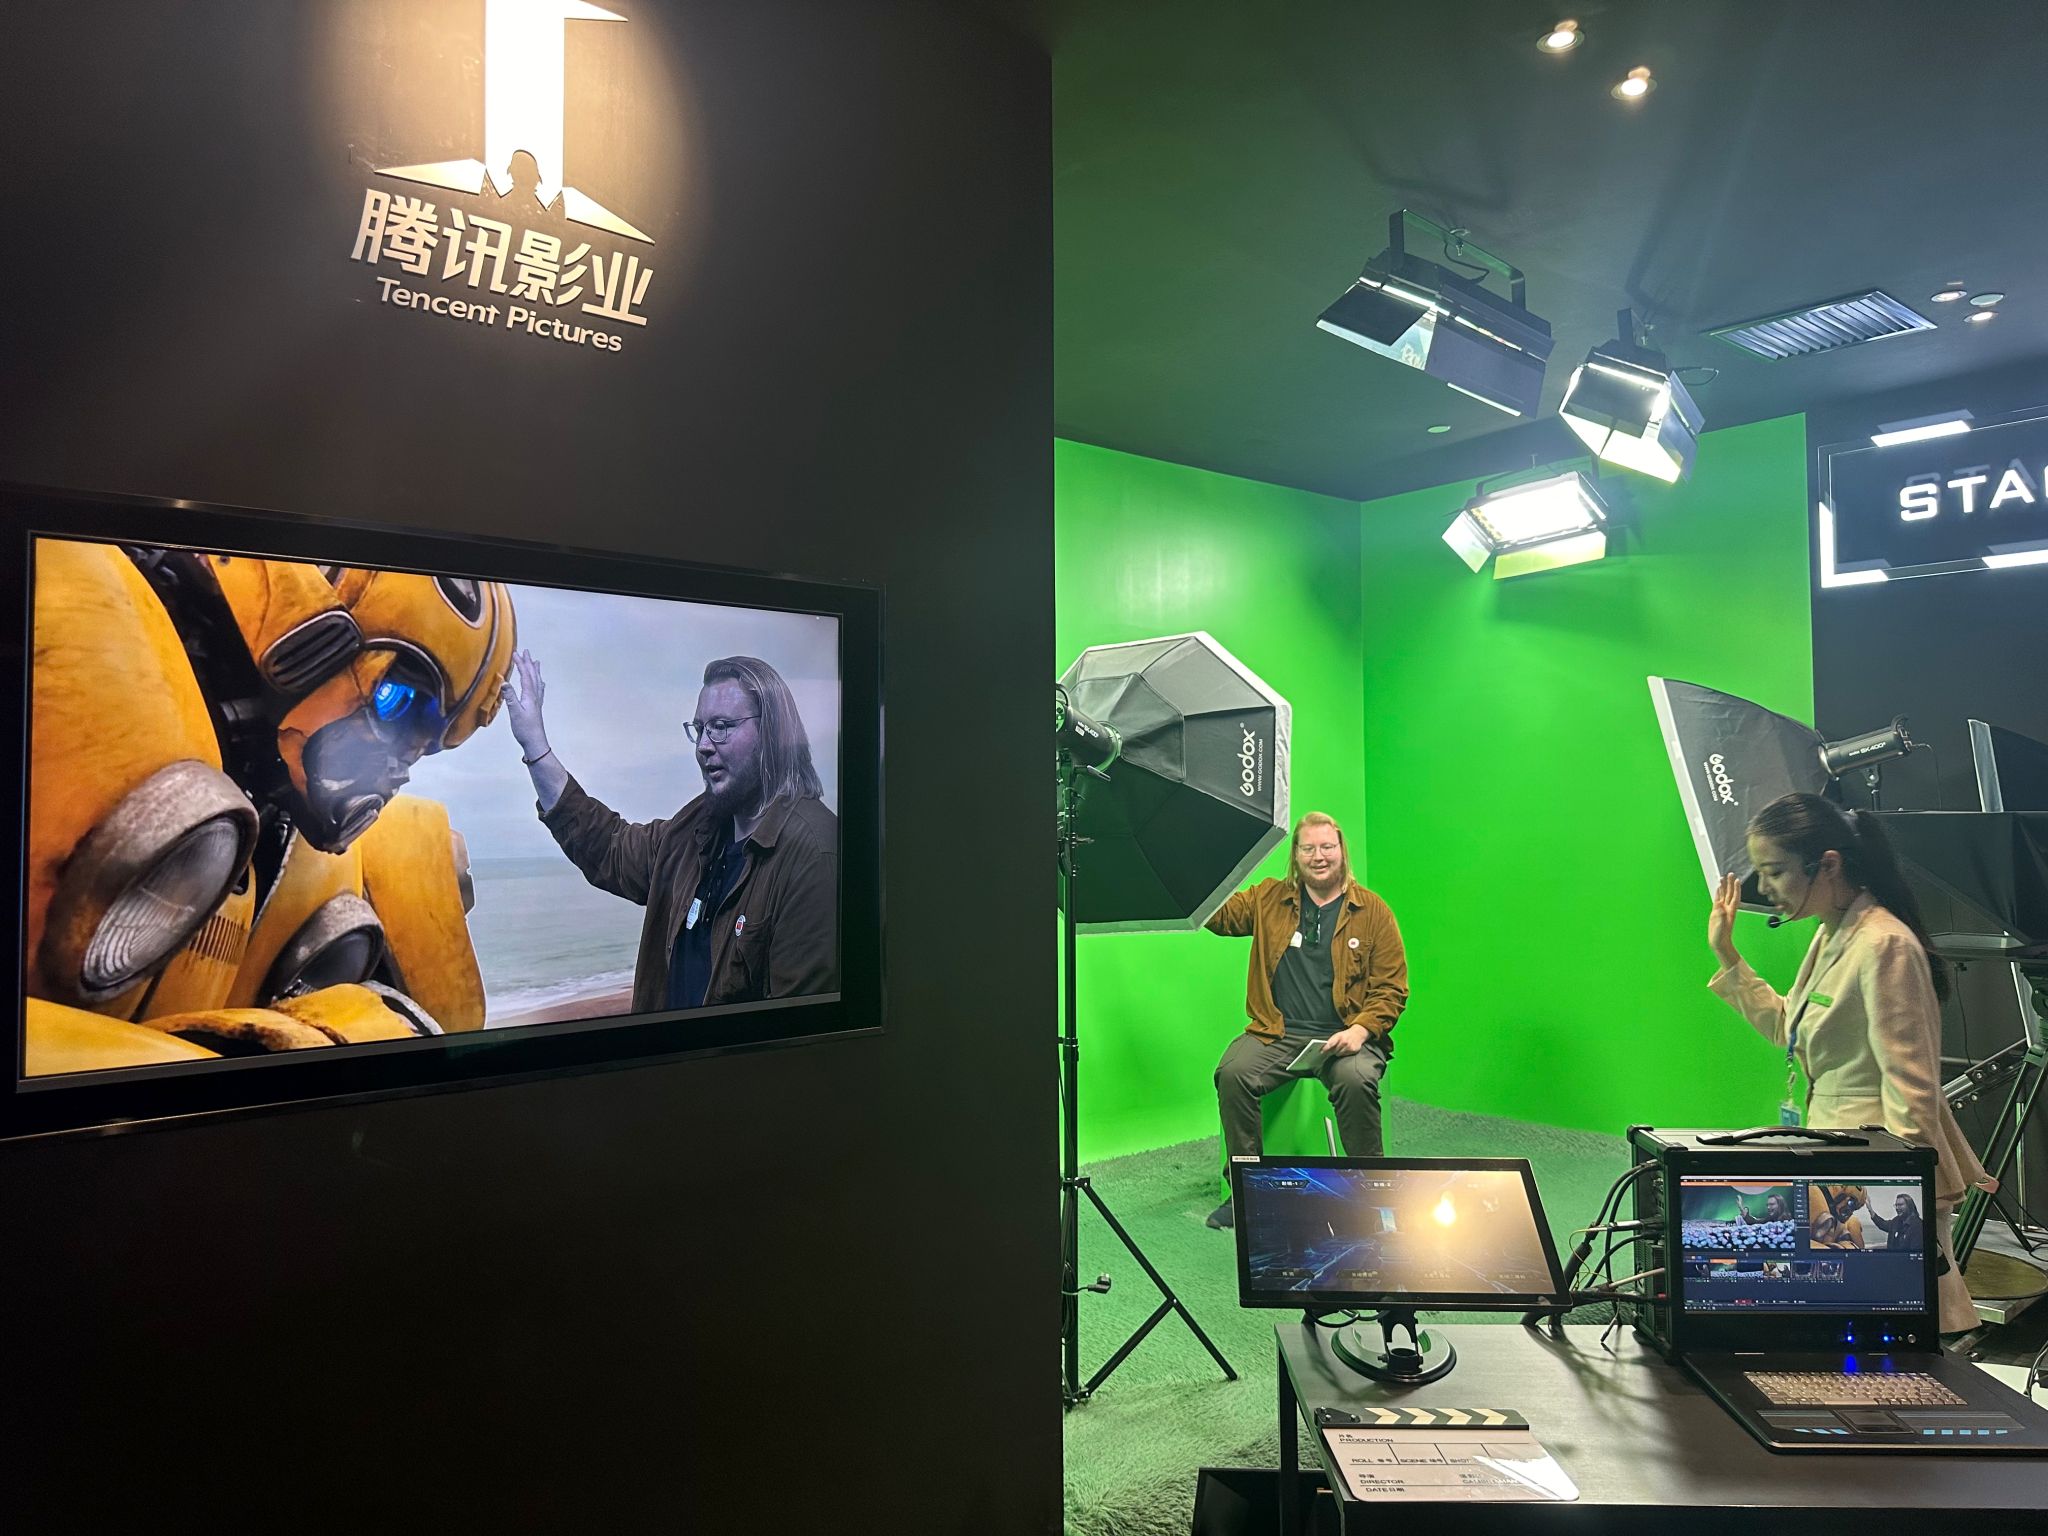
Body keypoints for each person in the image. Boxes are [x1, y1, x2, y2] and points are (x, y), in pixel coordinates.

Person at [1707, 791, 1991, 1332]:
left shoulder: (1884, 944)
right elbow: (1789, 1026)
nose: (1764, 888)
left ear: (1829, 864)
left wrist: (1901, 1184)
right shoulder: (1832, 932)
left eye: (1774, 871)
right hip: (1844, 1162)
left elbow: (1911, 1084)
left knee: (1904, 1331)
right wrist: (1728, 955)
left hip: (1877, 1166)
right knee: (1860, 1337)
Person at [501, 649, 837, 1011]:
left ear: (773, 733)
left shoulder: (815, 854)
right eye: (700, 729)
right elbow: (609, 847)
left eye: (721, 727)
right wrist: (535, 745)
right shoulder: (698, 826)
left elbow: (797, 1032)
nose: (704, 746)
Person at [1201, 812, 1408, 1229]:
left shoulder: (1373, 911)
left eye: (1327, 847)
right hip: (1277, 1033)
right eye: (1308, 848)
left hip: (1347, 1036)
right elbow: (1218, 916)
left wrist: (1360, 1031)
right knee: (1233, 1074)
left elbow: (1392, 989)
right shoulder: (1268, 899)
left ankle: (1373, 1194)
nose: (1319, 856)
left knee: (1355, 1081)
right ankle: (1246, 1191)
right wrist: (1199, 865)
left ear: (1342, 850)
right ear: (1295, 855)